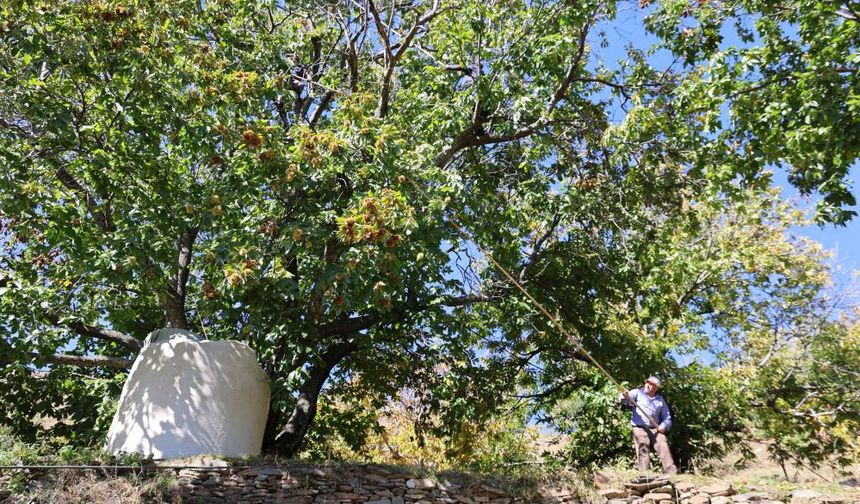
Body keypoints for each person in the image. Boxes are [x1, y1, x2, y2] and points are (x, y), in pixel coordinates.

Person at [620, 375, 677, 474]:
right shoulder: (637, 392)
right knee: (643, 444)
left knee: (663, 445)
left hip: (655, 428)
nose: (648, 386)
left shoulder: (660, 400)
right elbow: (625, 398)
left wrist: (664, 425)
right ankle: (644, 474)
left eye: (652, 385)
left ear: (656, 388)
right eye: (648, 383)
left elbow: (667, 417)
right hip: (639, 426)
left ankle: (671, 472)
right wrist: (625, 395)